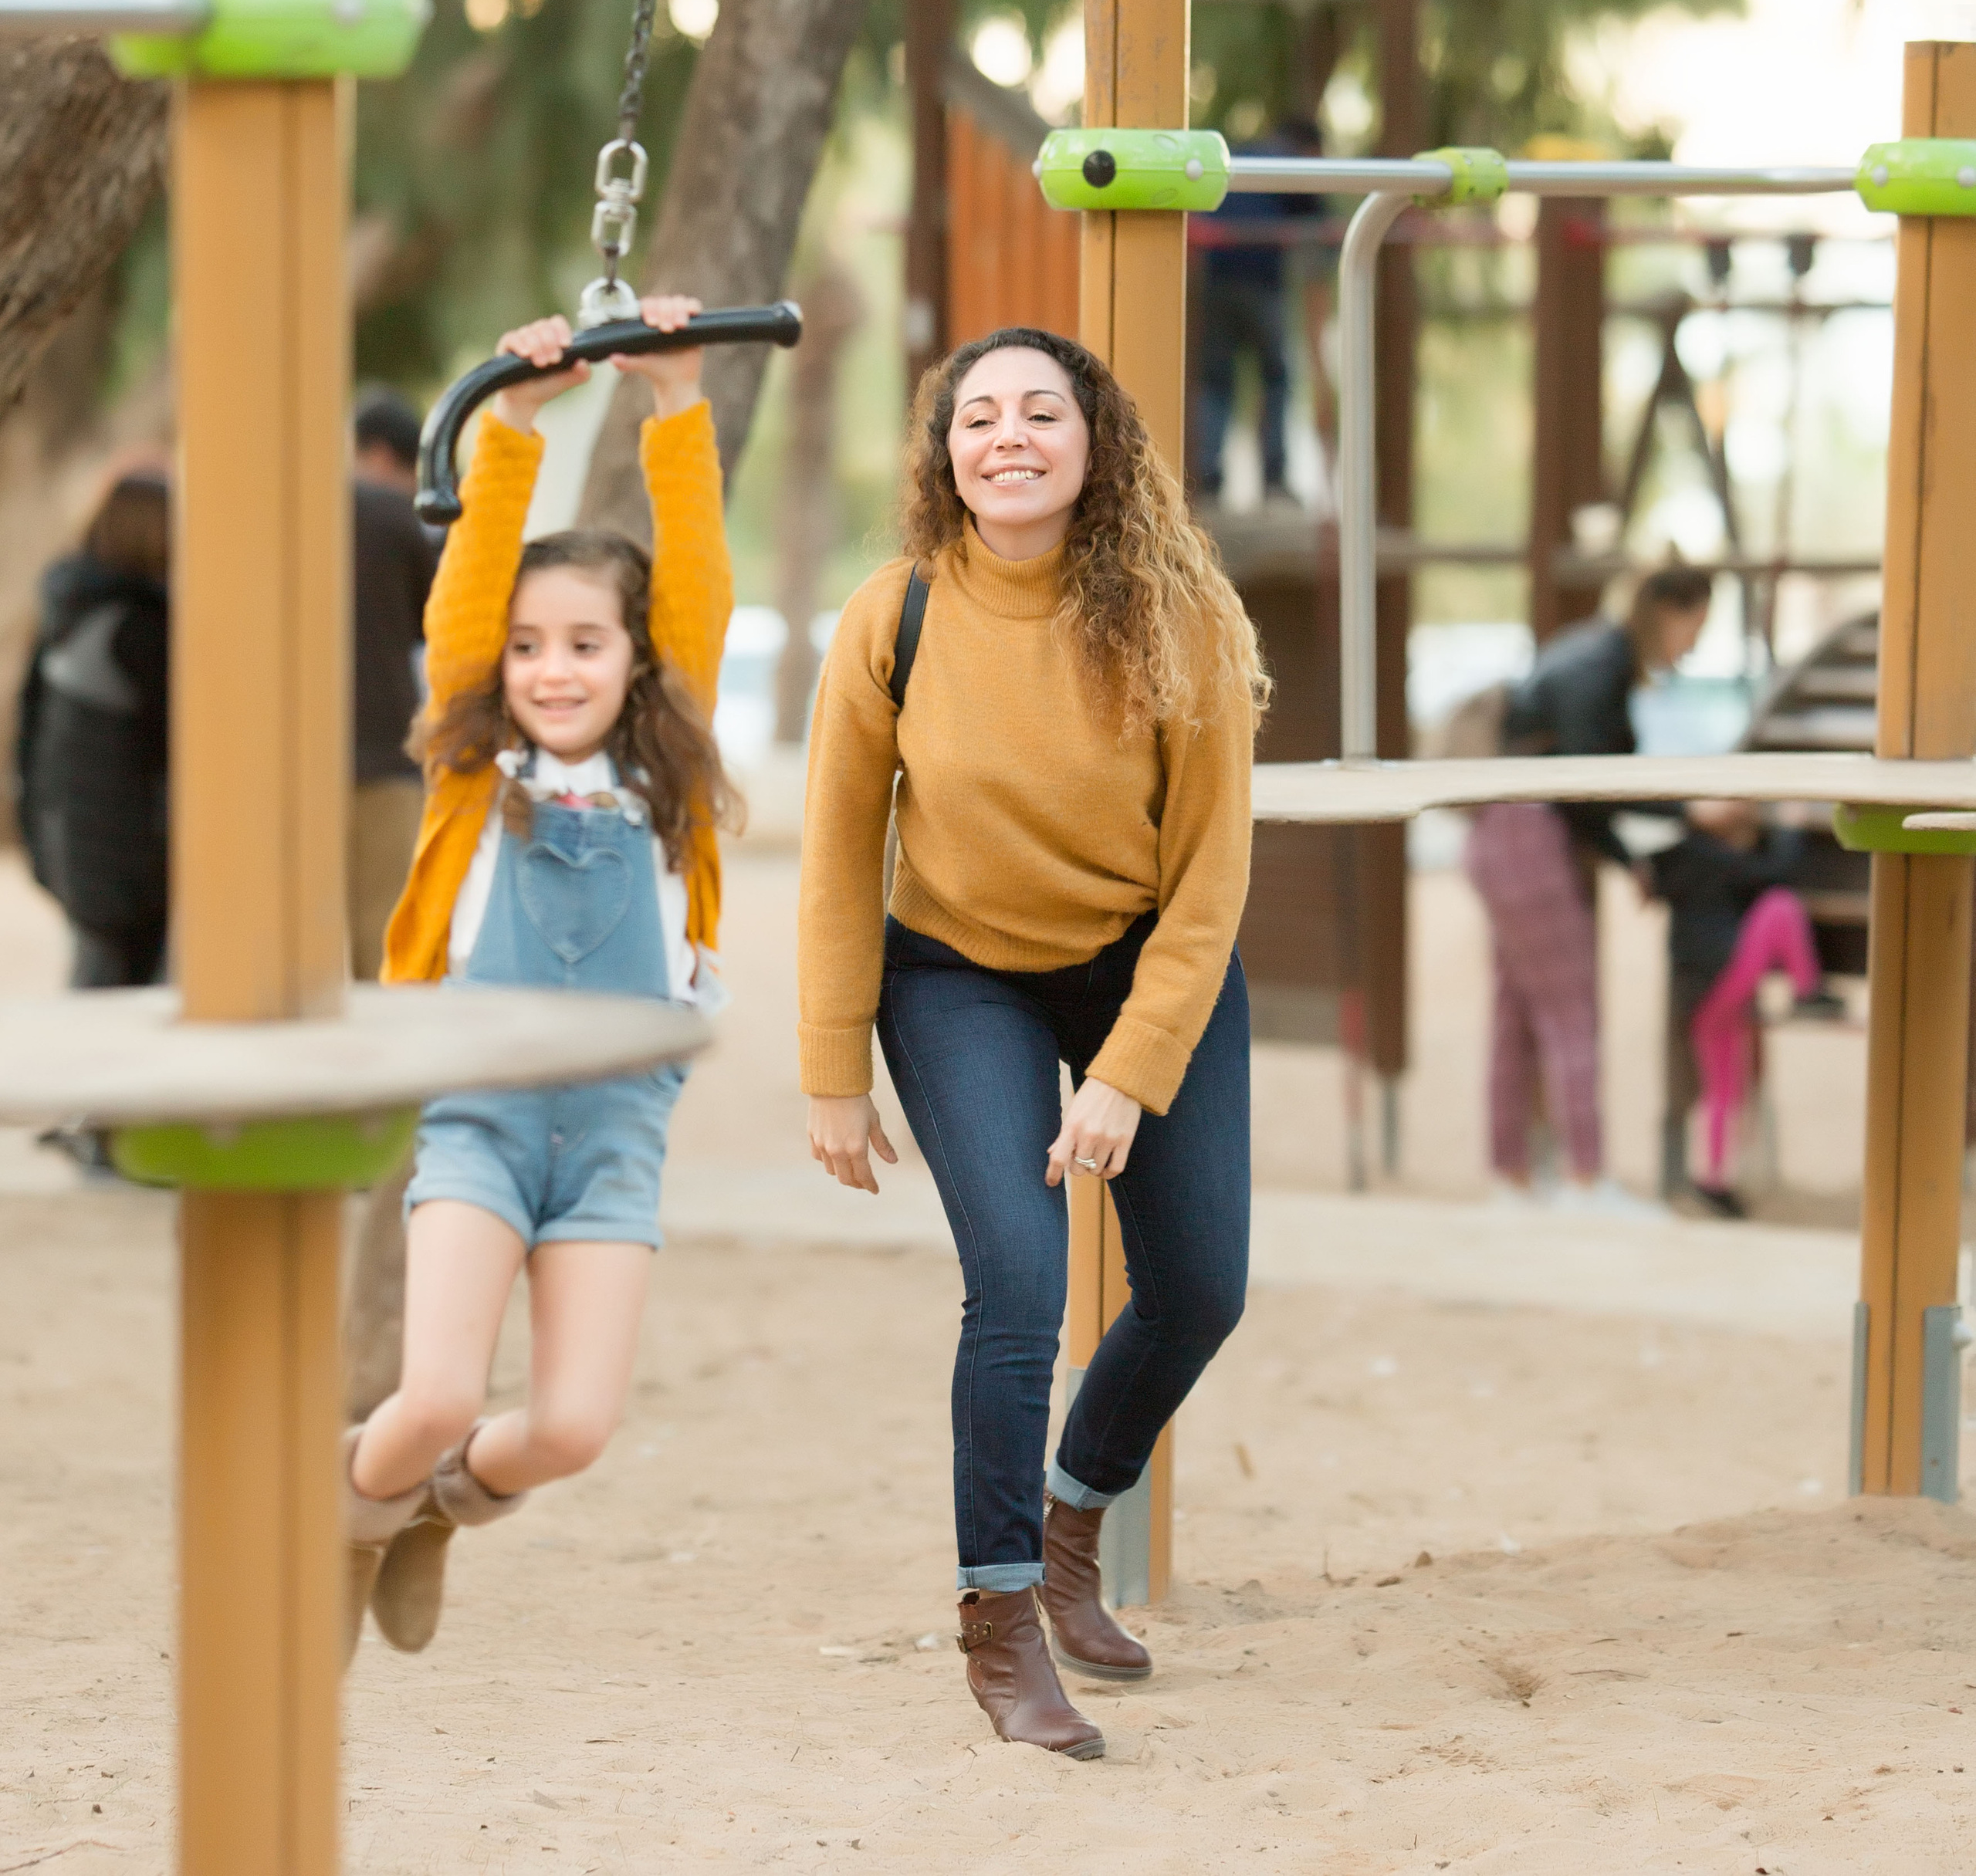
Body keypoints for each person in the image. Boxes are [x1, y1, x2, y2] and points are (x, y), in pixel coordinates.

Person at [800, 325, 1264, 1761]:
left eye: (1041, 411)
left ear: (1093, 439)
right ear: (946, 449)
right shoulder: (896, 616)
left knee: (1197, 1288)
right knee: (1019, 1280)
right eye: (979, 414)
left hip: (1144, 964)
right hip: (957, 976)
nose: (1009, 434)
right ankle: (1000, 1615)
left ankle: (1075, 1515)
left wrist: (1130, 1065)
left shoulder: (1180, 618)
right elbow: (834, 852)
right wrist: (832, 1066)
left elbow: (1212, 874)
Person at [340, 296, 734, 1665]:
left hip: (617, 1125)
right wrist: (510, 420)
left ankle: (435, 1508)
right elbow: (466, 590)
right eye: (529, 646)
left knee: (567, 1425)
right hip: (487, 1111)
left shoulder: (657, 775)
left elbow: (697, 581)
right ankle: (340, 1522)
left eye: (584, 642)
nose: (551, 668)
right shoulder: (476, 768)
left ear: (638, 663)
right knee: (436, 1384)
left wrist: (672, 402)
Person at [1463, 563, 1715, 1211]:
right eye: (1696, 624)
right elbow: (1585, 785)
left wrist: (1628, 854)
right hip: (1529, 833)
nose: (1694, 643)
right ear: (1670, 611)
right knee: (1572, 1012)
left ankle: (1511, 1174)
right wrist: (1684, 816)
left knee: (1514, 1014)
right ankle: (1584, 1176)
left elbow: (1582, 789)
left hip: (1500, 831)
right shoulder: (1599, 666)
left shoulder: (1593, 652)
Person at [15, 469, 171, 990]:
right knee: (120, 1000)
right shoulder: (143, 627)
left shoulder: (66, 611)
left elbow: (26, 727)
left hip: (68, 836)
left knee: (96, 983)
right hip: (129, 857)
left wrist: (35, 832)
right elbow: (174, 745)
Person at [1650, 803, 1839, 1215]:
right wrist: (1790, 830)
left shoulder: (1677, 858)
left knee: (1723, 1091)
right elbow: (1771, 874)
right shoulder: (1706, 855)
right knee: (1780, 907)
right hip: (1721, 980)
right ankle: (1807, 988)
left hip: (1694, 994)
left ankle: (1714, 1182)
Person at [1189, 113, 1336, 505]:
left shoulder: (1237, 157)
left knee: (1217, 382)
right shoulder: (1289, 165)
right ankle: (1273, 480)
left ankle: (1208, 480)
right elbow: (1322, 228)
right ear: (1310, 147)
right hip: (1260, 286)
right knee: (1276, 378)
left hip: (1215, 282)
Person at [350, 387, 440, 981]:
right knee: (382, 945)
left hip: (285, 764)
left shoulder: (284, 506)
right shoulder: (400, 520)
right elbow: (436, 624)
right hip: (385, 755)